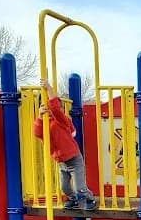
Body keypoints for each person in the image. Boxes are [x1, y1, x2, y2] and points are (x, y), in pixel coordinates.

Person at [33, 78, 97, 210]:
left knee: (80, 188)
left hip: (74, 158)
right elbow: (37, 133)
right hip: (61, 161)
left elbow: (55, 107)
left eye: (49, 107)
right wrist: (40, 116)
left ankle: (91, 199)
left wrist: (49, 88)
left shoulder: (61, 119)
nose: (48, 109)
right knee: (65, 188)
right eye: (43, 107)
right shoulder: (44, 123)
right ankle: (73, 199)